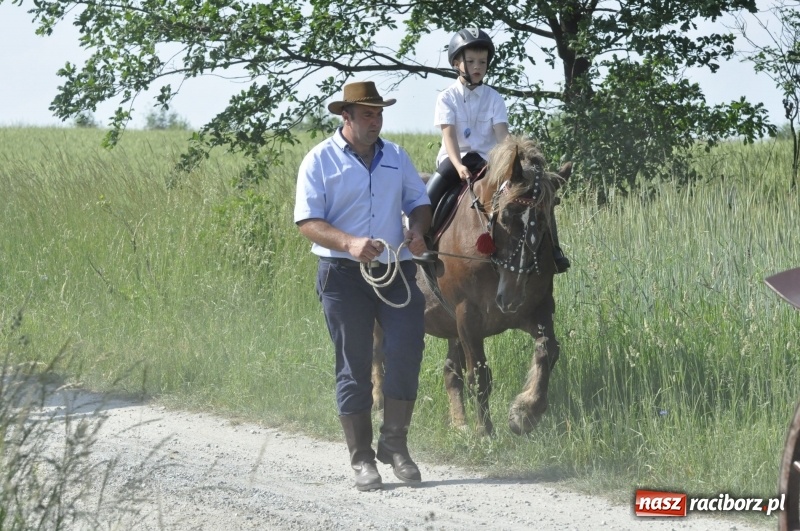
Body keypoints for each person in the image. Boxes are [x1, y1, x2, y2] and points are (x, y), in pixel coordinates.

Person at [294, 81, 432, 491]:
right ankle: (361, 459)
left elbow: (419, 203)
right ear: (346, 117)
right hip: (342, 275)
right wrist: (350, 242)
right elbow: (308, 222)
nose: (376, 122)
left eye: (379, 114)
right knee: (353, 364)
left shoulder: (397, 157)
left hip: (396, 270)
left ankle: (394, 445)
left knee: (407, 348)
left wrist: (419, 230)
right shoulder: (319, 160)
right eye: (368, 115)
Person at [423, 27, 570, 273]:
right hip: (455, 160)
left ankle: (554, 250)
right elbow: (448, 136)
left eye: (482, 61)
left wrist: (516, 160)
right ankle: (426, 242)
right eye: (470, 62)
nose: (477, 66)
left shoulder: (494, 98)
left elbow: (502, 136)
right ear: (457, 63)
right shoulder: (446, 98)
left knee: (536, 194)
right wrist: (458, 165)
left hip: (487, 162)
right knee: (429, 195)